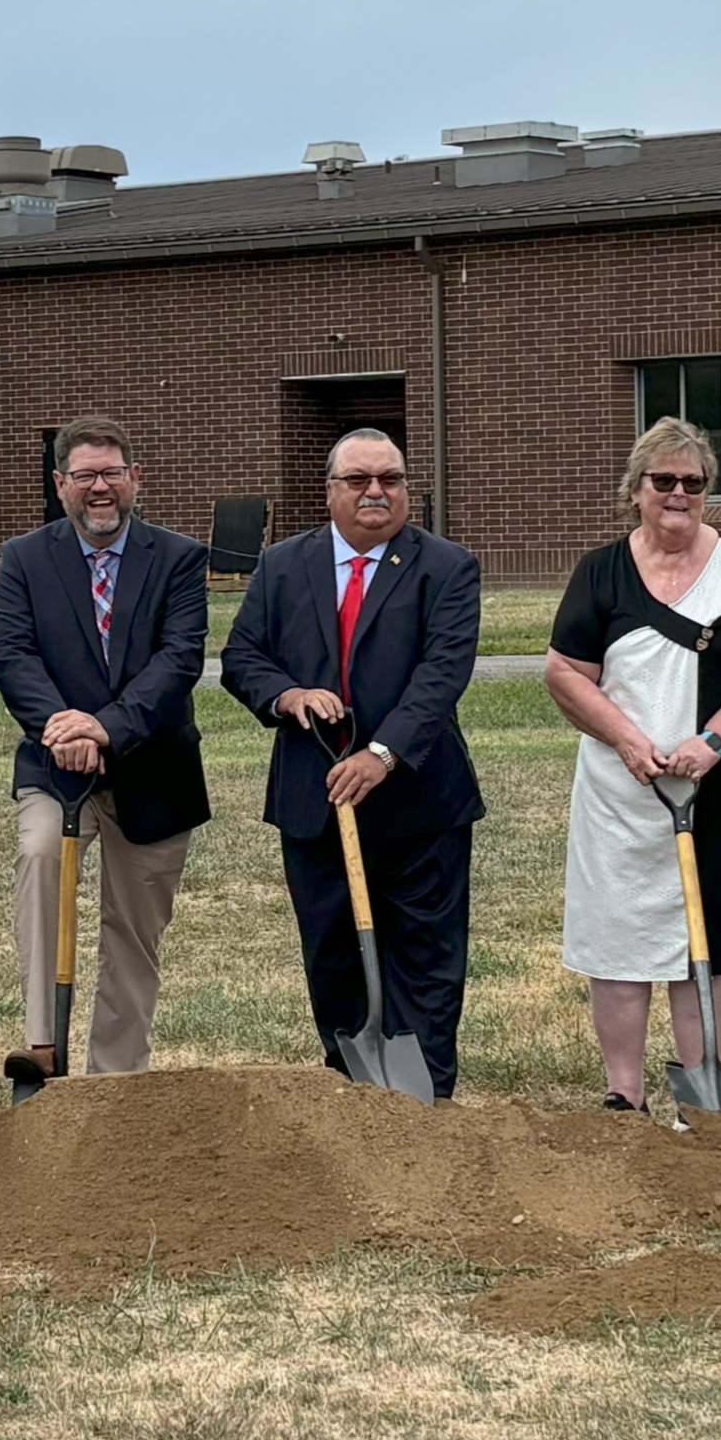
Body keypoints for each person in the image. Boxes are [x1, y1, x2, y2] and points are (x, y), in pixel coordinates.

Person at [544, 419, 721, 1111]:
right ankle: (622, 1095)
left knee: (704, 943)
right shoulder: (601, 572)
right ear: (636, 489)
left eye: (695, 483)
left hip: (715, 789)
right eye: (665, 480)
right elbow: (567, 672)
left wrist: (714, 742)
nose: (680, 494)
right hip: (621, 793)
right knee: (620, 940)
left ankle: (705, 1092)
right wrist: (629, 740)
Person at [219, 429, 485, 1097]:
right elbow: (242, 658)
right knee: (333, 952)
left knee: (425, 958)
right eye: (359, 480)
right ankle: (350, 1094)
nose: (376, 492)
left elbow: (441, 675)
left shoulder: (446, 568)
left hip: (420, 802)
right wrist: (287, 694)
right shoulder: (282, 566)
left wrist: (382, 754)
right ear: (330, 490)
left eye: (390, 479)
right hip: (316, 799)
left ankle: (424, 1097)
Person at [0, 415, 212, 1082]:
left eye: (112, 473)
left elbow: (178, 660)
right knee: (38, 855)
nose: (100, 488)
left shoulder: (178, 559)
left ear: (135, 478)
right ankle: (42, 1046)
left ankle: (116, 1080)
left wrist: (106, 727)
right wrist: (62, 725)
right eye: (84, 475)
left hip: (154, 770)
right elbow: (13, 653)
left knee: (134, 934)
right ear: (61, 485)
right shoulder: (25, 558)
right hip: (55, 767)